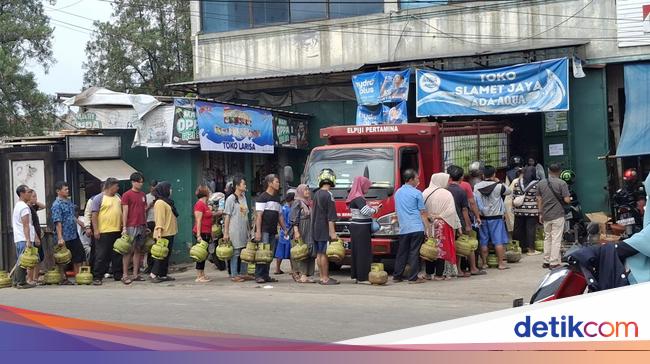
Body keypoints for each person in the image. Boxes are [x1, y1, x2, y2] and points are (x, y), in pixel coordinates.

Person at [446, 166, 484, 276]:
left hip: (448, 221)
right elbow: (468, 206)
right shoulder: (464, 187)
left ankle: (457, 269)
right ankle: (472, 268)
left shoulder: (445, 188)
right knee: (466, 244)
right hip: (460, 222)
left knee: (454, 245)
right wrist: (473, 220)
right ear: (461, 177)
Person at [393, 169, 429, 284]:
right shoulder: (417, 193)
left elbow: (397, 211)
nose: (418, 180)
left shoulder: (397, 192)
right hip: (416, 227)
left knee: (402, 252)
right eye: (417, 178)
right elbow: (423, 213)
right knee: (414, 252)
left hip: (403, 228)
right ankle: (413, 278)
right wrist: (427, 229)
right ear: (411, 179)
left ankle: (397, 275)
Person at [422, 173, 460, 280]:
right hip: (442, 224)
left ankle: (428, 273)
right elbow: (451, 211)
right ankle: (439, 274)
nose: (448, 183)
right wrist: (439, 216)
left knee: (429, 248)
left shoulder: (425, 192)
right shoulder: (447, 194)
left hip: (428, 224)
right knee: (441, 249)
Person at [474, 165, 511, 270]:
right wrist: (498, 181)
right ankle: (501, 264)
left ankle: (484, 263)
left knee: (483, 241)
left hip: (482, 217)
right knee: (498, 241)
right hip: (496, 217)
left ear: (482, 175)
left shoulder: (477, 186)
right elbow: (509, 191)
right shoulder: (499, 186)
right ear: (494, 174)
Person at [536, 164, 571, 269]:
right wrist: (570, 198)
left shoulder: (541, 183)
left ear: (548, 170)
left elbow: (539, 199)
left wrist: (540, 213)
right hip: (557, 214)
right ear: (560, 171)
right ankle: (554, 262)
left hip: (546, 214)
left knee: (547, 237)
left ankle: (546, 260)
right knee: (556, 238)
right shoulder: (562, 183)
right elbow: (566, 200)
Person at [51, 181, 86, 285]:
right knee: (62, 258)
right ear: (58, 191)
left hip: (73, 234)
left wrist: (79, 222)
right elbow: (58, 221)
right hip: (64, 235)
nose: (67, 191)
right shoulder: (56, 205)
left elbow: (71, 216)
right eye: (65, 189)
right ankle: (63, 278)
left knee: (78, 255)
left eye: (67, 189)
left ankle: (78, 277)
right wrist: (60, 237)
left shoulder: (69, 202)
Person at [254, 174, 285, 284]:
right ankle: (259, 275)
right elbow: (259, 216)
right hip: (264, 230)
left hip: (273, 230)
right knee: (262, 253)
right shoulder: (262, 197)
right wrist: (258, 232)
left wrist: (284, 229)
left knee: (269, 254)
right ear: (270, 183)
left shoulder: (277, 198)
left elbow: (280, 215)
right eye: (276, 182)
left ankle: (266, 275)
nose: (278, 184)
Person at [91, 178, 123, 285]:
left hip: (117, 229)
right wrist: (96, 230)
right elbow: (94, 215)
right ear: (110, 186)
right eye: (116, 186)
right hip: (104, 231)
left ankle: (118, 274)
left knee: (117, 253)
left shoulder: (118, 197)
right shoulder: (99, 198)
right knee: (101, 255)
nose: (117, 188)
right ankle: (97, 276)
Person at [311, 169, 339, 285]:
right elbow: (331, 217)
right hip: (324, 229)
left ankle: (322, 277)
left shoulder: (316, 193)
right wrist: (333, 233)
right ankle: (325, 278)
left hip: (316, 228)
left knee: (319, 254)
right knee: (324, 253)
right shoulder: (329, 195)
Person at [346, 176, 377, 285]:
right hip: (361, 228)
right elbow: (365, 211)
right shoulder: (358, 197)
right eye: (367, 187)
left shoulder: (354, 196)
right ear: (362, 185)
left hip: (357, 227)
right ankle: (362, 277)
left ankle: (358, 275)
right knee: (363, 253)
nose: (367, 189)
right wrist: (375, 210)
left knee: (357, 252)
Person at [120, 172, 148, 285]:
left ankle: (136, 274)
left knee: (138, 250)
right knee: (128, 251)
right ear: (133, 182)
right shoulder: (127, 195)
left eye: (142, 182)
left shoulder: (143, 195)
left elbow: (144, 211)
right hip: (131, 225)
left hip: (141, 225)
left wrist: (145, 225)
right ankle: (125, 275)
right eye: (139, 182)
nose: (141, 184)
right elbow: (125, 212)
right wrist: (124, 227)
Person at [223, 176, 250, 282]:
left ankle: (243, 273)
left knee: (244, 252)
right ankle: (234, 275)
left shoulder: (243, 197)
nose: (245, 185)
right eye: (243, 184)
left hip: (243, 229)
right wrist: (226, 232)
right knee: (235, 252)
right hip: (234, 230)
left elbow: (245, 214)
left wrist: (249, 229)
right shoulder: (231, 199)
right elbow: (227, 216)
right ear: (237, 186)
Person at [151, 181, 179, 283]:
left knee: (166, 256)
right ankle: (153, 274)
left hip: (170, 232)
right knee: (160, 255)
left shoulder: (167, 201)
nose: (171, 190)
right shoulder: (160, 203)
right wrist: (159, 233)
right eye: (169, 188)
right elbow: (159, 219)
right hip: (162, 234)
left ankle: (163, 274)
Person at [513, 166, 541, 255]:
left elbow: (514, 196)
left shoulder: (517, 182)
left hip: (519, 210)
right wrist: (540, 211)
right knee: (530, 229)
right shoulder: (537, 184)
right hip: (532, 210)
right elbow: (538, 198)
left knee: (519, 229)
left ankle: (520, 248)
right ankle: (531, 249)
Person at [291, 184, 316, 283]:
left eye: (308, 190)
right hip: (301, 229)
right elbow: (293, 218)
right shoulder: (297, 202)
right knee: (301, 251)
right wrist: (296, 231)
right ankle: (301, 274)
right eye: (305, 190)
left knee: (309, 250)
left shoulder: (309, 203)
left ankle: (307, 273)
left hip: (309, 229)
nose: (307, 191)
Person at [12, 185, 36, 289]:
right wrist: (28, 240)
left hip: (19, 237)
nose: (30, 193)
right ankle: (21, 282)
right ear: (22, 193)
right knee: (24, 261)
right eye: (28, 191)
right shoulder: (24, 207)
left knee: (20, 260)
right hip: (23, 237)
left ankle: (16, 281)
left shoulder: (18, 205)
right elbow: (26, 225)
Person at [192, 184, 213, 283]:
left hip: (207, 232)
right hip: (202, 232)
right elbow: (198, 220)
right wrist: (198, 235)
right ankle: (199, 276)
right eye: (208, 190)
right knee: (200, 254)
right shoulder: (199, 204)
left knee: (204, 254)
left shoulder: (206, 205)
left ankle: (202, 274)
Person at [274, 190, 295, 275]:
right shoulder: (291, 209)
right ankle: (293, 269)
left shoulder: (282, 208)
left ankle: (277, 269)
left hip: (283, 232)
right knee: (292, 251)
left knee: (280, 251)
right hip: (290, 231)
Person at [28, 190, 46, 284]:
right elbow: (30, 225)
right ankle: (31, 278)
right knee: (33, 257)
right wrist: (36, 237)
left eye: (36, 196)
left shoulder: (33, 207)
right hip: (33, 236)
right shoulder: (27, 208)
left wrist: (35, 201)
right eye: (33, 196)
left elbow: (43, 206)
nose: (35, 198)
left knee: (39, 257)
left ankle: (35, 277)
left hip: (38, 234)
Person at [144, 180, 158, 274]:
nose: (153, 189)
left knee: (158, 245)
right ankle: (149, 266)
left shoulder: (160, 197)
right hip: (149, 222)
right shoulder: (146, 197)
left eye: (155, 187)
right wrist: (149, 206)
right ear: (150, 187)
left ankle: (157, 266)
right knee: (150, 245)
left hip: (158, 223)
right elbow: (143, 211)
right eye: (152, 187)